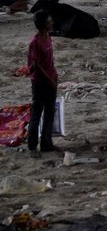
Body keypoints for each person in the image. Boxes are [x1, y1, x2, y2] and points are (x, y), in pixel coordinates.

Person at [26, 10, 58, 157]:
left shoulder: (48, 37)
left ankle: (46, 142)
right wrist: (50, 79)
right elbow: (37, 66)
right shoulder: (35, 42)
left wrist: (54, 74)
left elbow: (49, 60)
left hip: (51, 78)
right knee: (37, 113)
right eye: (50, 21)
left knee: (50, 111)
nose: (52, 22)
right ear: (44, 24)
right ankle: (32, 146)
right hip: (40, 82)